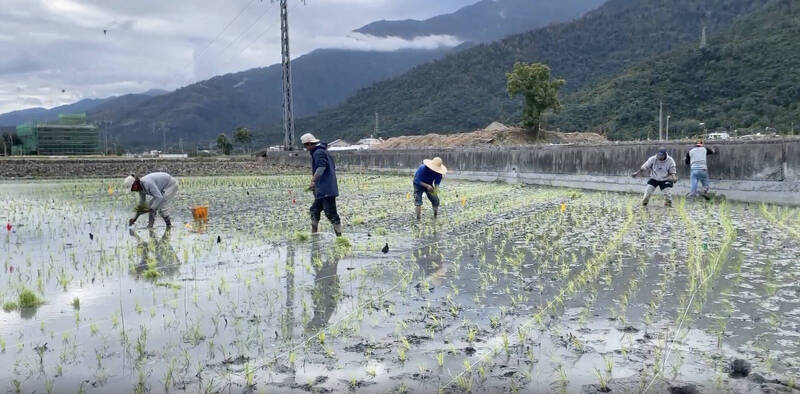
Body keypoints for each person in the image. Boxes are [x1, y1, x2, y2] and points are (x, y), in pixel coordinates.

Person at [301, 133, 342, 236]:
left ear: (309, 144)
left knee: (330, 213)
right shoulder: (322, 151)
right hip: (322, 188)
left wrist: (313, 181)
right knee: (314, 210)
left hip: (326, 189)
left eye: (305, 146)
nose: (305, 148)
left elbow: (321, 168)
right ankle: (314, 234)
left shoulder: (318, 153)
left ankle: (339, 236)